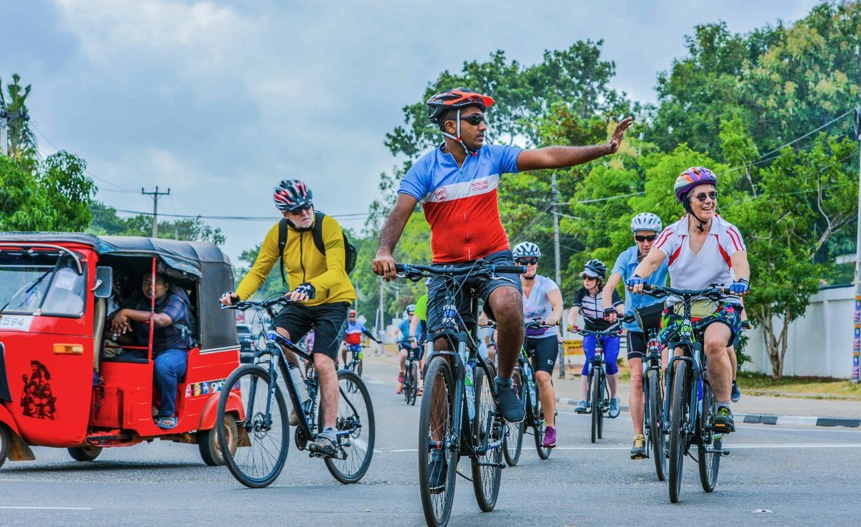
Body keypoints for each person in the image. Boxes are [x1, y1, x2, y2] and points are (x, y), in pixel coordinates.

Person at [373, 87, 632, 489]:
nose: (482, 126)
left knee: (510, 307)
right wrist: (384, 250)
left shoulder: (492, 156)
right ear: (450, 126)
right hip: (446, 267)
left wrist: (603, 148)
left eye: (482, 119)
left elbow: (548, 157)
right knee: (440, 354)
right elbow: (399, 213)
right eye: (474, 119)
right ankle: (439, 444)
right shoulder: (425, 168)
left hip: (493, 258)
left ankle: (503, 380)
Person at [221, 179, 356, 457]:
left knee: (322, 361)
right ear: (284, 214)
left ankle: (329, 432)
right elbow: (259, 270)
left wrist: (311, 286)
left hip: (333, 299)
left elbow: (337, 270)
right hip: (299, 300)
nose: (305, 212)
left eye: (308, 206)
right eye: (297, 210)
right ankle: (302, 392)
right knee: (277, 340)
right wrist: (238, 295)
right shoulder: (278, 233)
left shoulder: (327, 225)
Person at [628, 167, 749, 434]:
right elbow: (652, 260)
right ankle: (672, 420)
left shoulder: (727, 231)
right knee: (674, 360)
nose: (709, 201)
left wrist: (741, 280)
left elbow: (740, 261)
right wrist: (637, 276)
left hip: (719, 302)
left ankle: (722, 407)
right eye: (701, 196)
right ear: (687, 202)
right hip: (681, 305)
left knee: (715, 343)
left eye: (712, 195)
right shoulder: (673, 233)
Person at [603, 212, 670, 459]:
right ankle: (638, 436)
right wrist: (608, 307)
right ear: (634, 237)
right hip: (634, 323)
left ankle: (669, 425)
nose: (645, 243)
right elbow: (609, 286)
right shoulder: (626, 257)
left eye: (651, 238)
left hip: (662, 320)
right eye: (640, 238)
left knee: (666, 371)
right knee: (636, 379)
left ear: (658, 237)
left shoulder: (665, 254)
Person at [109, 272, 194, 429]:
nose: (150, 287)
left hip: (175, 351)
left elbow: (162, 320)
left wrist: (126, 313)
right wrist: (117, 319)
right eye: (146, 282)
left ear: (166, 286)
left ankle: (168, 413)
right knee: (121, 362)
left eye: (155, 283)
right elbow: (119, 321)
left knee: (163, 365)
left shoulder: (175, 300)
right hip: (146, 350)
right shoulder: (139, 302)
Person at [513, 242, 562, 448]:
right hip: (519, 335)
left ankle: (550, 427)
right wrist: (484, 318)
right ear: (516, 263)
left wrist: (555, 317)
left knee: (542, 377)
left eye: (533, 261)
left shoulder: (546, 284)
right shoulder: (511, 284)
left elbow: (558, 304)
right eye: (524, 261)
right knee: (510, 371)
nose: (529, 264)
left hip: (545, 335)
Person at [567, 259, 622, 418]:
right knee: (589, 360)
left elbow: (620, 309)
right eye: (585, 277)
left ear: (599, 280)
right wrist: (571, 323)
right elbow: (574, 311)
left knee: (611, 362)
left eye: (590, 278)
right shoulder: (581, 293)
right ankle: (583, 400)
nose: (586, 281)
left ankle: (613, 398)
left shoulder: (609, 291)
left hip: (610, 332)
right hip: (590, 332)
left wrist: (624, 318)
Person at [395, 305, 421, 394]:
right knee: (404, 355)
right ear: (407, 314)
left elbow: (426, 331)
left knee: (416, 365)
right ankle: (401, 372)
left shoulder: (420, 322)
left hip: (415, 345)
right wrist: (395, 338)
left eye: (414, 314)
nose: (412, 316)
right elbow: (393, 332)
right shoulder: (404, 323)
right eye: (410, 314)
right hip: (405, 344)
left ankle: (417, 387)